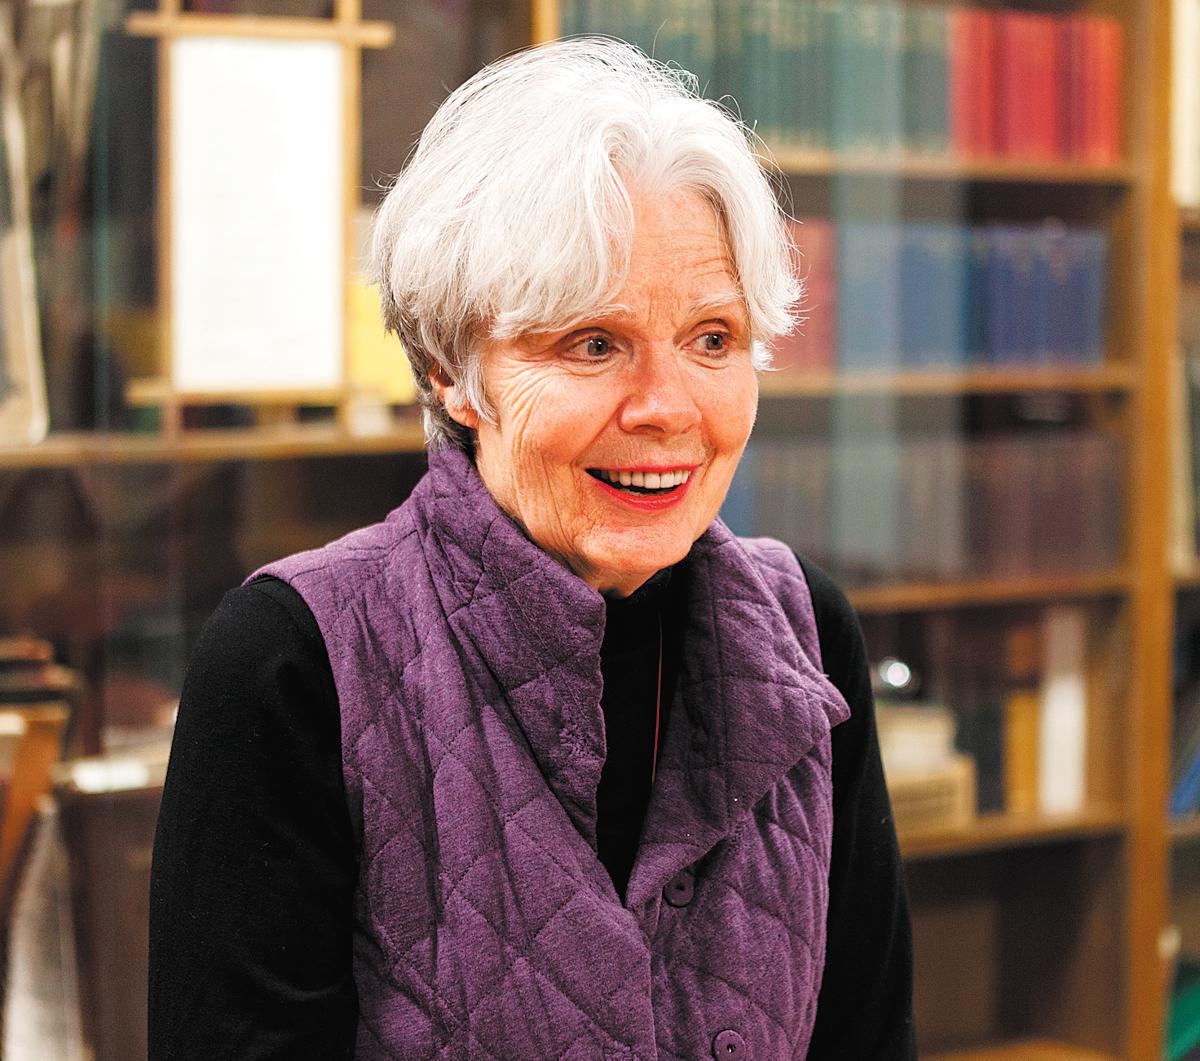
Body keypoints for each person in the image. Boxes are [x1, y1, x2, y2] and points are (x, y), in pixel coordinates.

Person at [148, 37, 915, 1059]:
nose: (667, 407)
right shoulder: (290, 662)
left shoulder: (807, 632)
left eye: (712, 338)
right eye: (593, 343)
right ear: (450, 370)